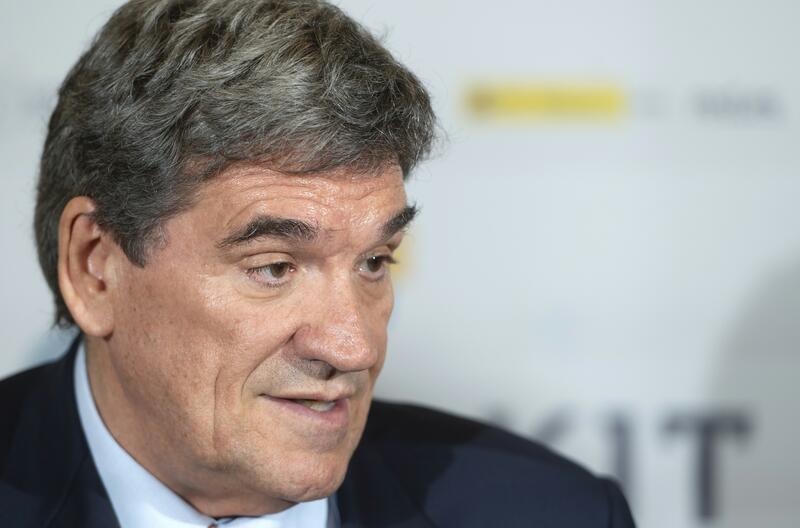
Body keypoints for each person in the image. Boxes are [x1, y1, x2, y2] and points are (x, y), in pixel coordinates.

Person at [0, 0, 636, 526]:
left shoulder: (554, 513)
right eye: (275, 268)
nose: (355, 347)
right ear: (95, 267)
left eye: (374, 262)